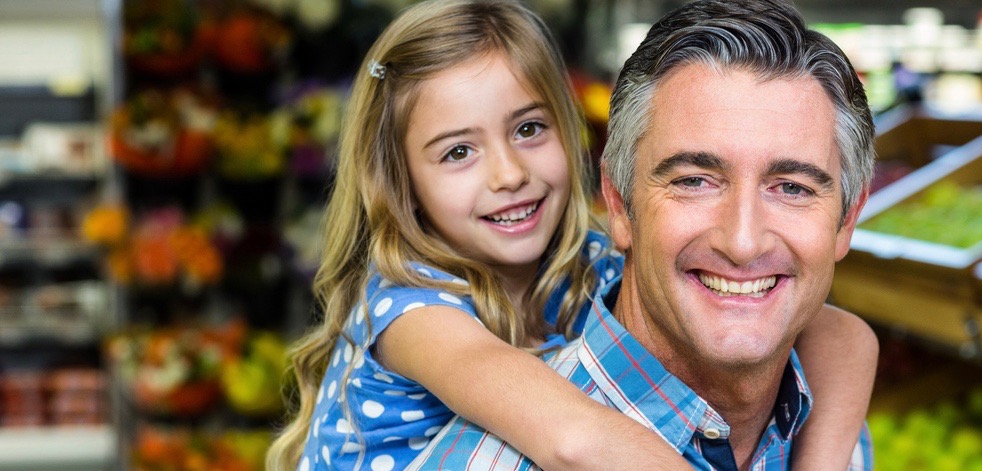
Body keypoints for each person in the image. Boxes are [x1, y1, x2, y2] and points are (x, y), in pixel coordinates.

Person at [268, 0, 875, 469]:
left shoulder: (589, 261)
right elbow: (574, 439)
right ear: (399, 183)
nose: (509, 175)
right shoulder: (408, 301)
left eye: (529, 129)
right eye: (457, 151)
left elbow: (848, 336)